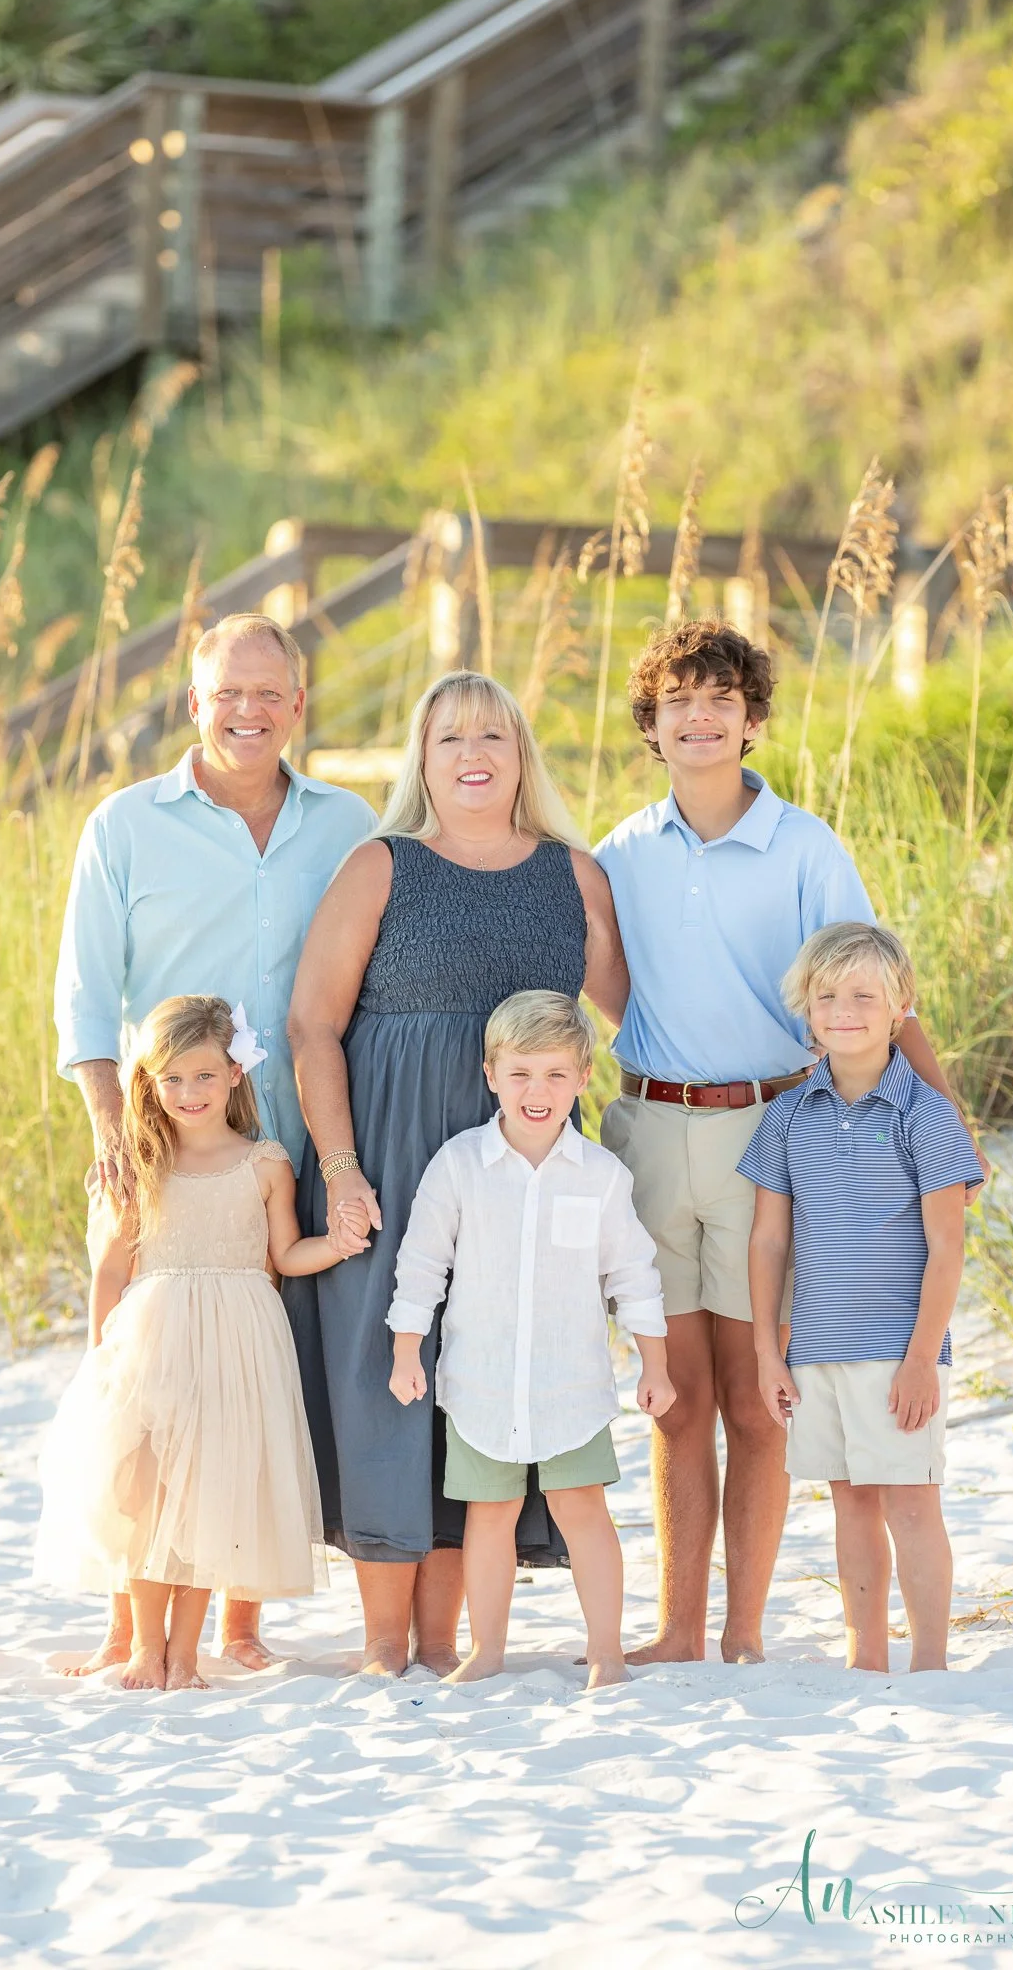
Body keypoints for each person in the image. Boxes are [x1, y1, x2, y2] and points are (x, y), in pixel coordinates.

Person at [595, 619, 984, 1666]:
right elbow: (602, 983)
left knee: (752, 1396)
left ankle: (743, 1627)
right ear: (652, 723)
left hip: (769, 1133)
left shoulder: (804, 844)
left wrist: (942, 1122)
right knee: (676, 1400)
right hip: (647, 1126)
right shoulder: (617, 852)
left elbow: (875, 987)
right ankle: (679, 1627)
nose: (700, 715)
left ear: (752, 719)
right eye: (677, 699)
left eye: (720, 696)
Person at [52, 611, 376, 1675]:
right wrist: (115, 1138)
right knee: (139, 1395)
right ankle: (122, 1622)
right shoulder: (127, 824)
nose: (246, 710)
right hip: (161, 1143)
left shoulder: (348, 823)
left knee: (246, 1381)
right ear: (194, 703)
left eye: (266, 692)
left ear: (296, 703)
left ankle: (237, 1623)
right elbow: (88, 1002)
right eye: (224, 692)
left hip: (287, 1143)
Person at [286, 671, 629, 1678]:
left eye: (492, 734)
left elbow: (629, 1015)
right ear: (421, 757)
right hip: (387, 1149)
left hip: (520, 1162)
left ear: (521, 752)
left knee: (485, 1368)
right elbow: (312, 1024)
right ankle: (386, 1642)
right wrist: (342, 1168)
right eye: (448, 738)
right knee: (385, 1374)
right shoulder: (379, 865)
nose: (471, 752)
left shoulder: (574, 875)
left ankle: (446, 1640)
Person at [34, 995, 361, 1690]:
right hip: (153, 1344)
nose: (189, 1093)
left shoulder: (265, 1162)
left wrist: (332, 1246)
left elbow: (284, 1255)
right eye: (173, 1079)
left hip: (239, 1344)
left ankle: (184, 1654)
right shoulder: (141, 1167)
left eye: (205, 1076)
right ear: (149, 1083)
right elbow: (112, 1273)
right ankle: (146, 1647)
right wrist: (101, 1358)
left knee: (212, 1499)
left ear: (235, 1075)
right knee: (147, 1498)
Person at [386, 991, 675, 1689]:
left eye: (554, 1074)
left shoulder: (601, 1177)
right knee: (490, 1516)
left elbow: (633, 1274)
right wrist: (406, 1349)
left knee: (584, 1511)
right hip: (479, 1383)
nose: (536, 1092)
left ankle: (606, 1651)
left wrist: (653, 1364)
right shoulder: (458, 1165)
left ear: (582, 1078)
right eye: (519, 1074)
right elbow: (422, 1262)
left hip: (570, 1383)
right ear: (491, 1075)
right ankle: (486, 1651)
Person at [740, 924, 982, 1672]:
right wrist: (766, 1351)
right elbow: (769, 1242)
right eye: (827, 996)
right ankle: (866, 1659)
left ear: (900, 1006)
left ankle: (931, 1663)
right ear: (806, 1010)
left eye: (864, 996)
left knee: (911, 1502)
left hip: (898, 1351)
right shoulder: (786, 1117)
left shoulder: (925, 1115)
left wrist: (919, 1361)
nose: (844, 1010)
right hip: (815, 1348)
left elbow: (949, 1246)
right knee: (849, 1503)